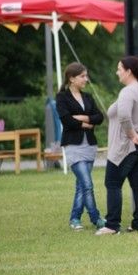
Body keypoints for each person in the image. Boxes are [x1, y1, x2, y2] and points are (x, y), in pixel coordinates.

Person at [96, 56, 138, 235]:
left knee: (112, 183)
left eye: (119, 69)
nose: (117, 72)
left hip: (126, 147)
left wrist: (133, 135)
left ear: (128, 71)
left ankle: (112, 226)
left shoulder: (128, 92)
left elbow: (124, 116)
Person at [56, 62, 106, 231]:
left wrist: (82, 117)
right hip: (73, 146)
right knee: (87, 184)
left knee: (81, 186)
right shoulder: (62, 97)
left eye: (86, 75)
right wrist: (87, 123)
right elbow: (67, 121)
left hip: (89, 146)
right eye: (82, 76)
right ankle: (96, 218)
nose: (86, 79)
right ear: (71, 78)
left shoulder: (88, 97)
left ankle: (75, 218)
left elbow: (99, 117)